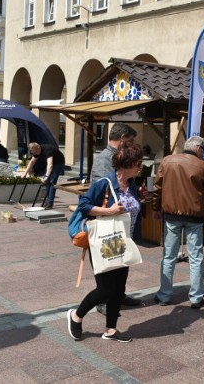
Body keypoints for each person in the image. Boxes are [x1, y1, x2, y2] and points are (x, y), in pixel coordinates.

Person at [67, 143, 144, 343]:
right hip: (103, 242)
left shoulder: (132, 184)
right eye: (138, 163)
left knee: (118, 289)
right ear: (127, 164)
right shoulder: (104, 183)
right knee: (105, 289)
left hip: (123, 241)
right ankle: (76, 315)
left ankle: (110, 329)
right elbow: (83, 206)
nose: (140, 167)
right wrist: (110, 211)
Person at [152, 136, 204, 308]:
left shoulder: (167, 161)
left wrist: (156, 208)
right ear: (198, 148)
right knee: (196, 258)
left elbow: (157, 188)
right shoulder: (203, 165)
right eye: (203, 150)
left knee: (168, 256)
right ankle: (196, 297)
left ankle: (164, 295)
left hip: (171, 215)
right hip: (194, 216)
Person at [89, 123, 142, 313]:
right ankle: (103, 301)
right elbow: (101, 189)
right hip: (108, 223)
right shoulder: (105, 158)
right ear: (122, 139)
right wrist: (112, 208)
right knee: (107, 264)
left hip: (122, 225)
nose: (131, 145)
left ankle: (119, 295)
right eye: (130, 141)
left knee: (121, 262)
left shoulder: (121, 158)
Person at [21, 142, 65, 209]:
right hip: (50, 164)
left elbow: (50, 165)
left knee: (52, 181)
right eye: (33, 153)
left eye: (35, 152)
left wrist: (47, 176)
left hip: (58, 163)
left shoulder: (48, 150)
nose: (35, 154)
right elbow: (32, 162)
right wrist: (25, 172)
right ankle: (47, 201)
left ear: (38, 148)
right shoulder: (36, 151)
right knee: (46, 182)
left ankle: (50, 203)